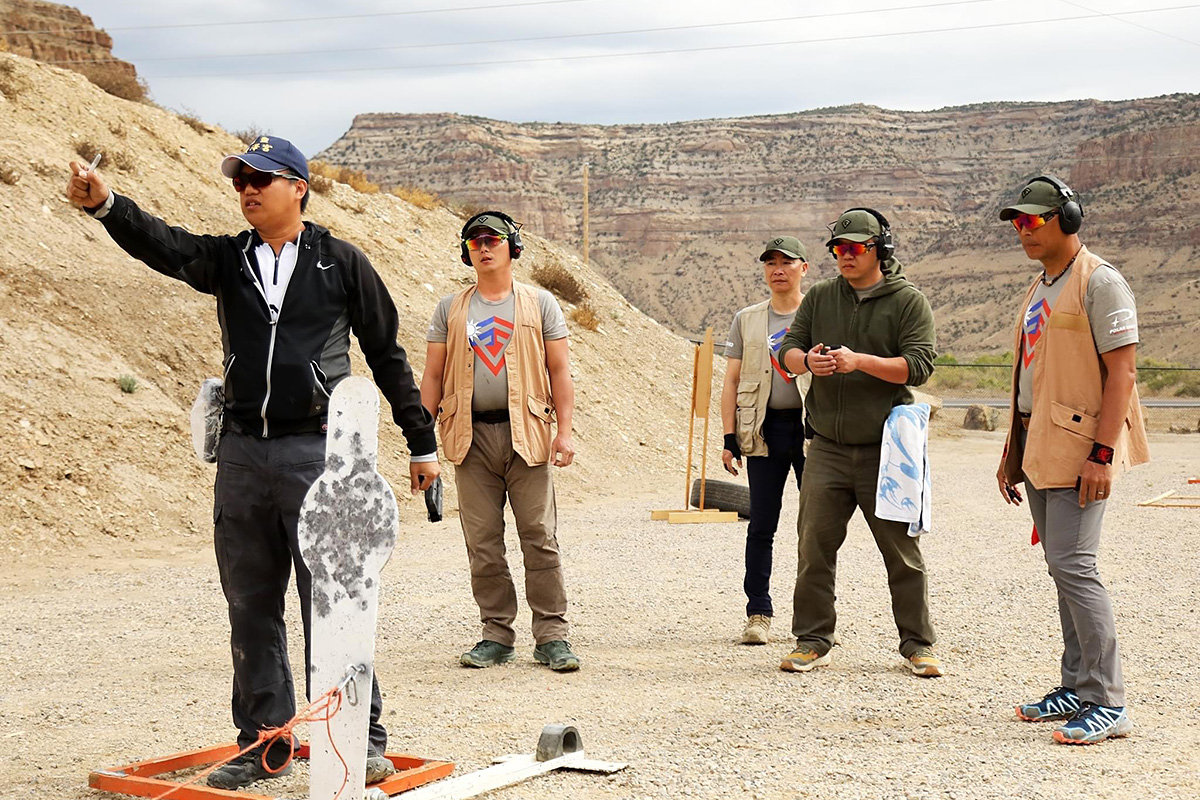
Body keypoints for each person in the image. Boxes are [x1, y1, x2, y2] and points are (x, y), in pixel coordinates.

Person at [65, 136, 439, 789]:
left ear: (298, 187)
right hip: (241, 455)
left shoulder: (341, 262)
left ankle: (358, 740)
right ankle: (266, 742)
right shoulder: (227, 258)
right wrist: (107, 205)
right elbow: (165, 244)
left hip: (320, 452)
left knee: (334, 601)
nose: (247, 189)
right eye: (240, 180)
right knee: (251, 603)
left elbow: (387, 355)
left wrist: (421, 441)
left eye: (261, 178)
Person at [995, 175, 1149, 744]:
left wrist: (1102, 454)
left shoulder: (1100, 282)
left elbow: (1123, 373)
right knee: (1061, 567)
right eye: (1018, 222)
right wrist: (1012, 452)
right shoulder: (1042, 284)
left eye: (1033, 220)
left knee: (1076, 568)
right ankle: (1077, 686)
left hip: (1080, 448)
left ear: (1068, 219)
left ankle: (1108, 701)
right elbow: (1032, 374)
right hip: (1039, 443)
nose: (1023, 230)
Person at [776, 208, 942, 677]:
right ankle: (812, 640)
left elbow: (919, 366)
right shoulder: (821, 297)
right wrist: (806, 361)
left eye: (855, 248)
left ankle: (918, 644)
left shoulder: (908, 301)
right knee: (813, 548)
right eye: (838, 249)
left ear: (880, 250)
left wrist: (861, 361)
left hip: (885, 451)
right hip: (826, 446)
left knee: (902, 554)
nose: (845, 256)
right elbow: (787, 348)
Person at [420, 211, 581, 671]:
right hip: (468, 437)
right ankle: (496, 634)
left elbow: (559, 371)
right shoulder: (450, 308)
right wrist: (421, 442)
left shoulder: (540, 303)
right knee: (483, 543)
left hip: (527, 434)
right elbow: (432, 376)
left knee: (539, 536)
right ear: (466, 252)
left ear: (513, 247)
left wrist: (564, 431)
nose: (484, 247)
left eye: (492, 239)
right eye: (474, 242)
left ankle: (552, 636)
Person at [721, 236, 810, 645]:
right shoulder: (747, 319)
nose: (778, 269)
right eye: (770, 263)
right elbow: (731, 381)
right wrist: (729, 437)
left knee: (817, 527)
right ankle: (758, 613)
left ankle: (814, 617)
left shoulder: (818, 313)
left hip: (812, 432)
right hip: (764, 430)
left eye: (786, 262)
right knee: (761, 525)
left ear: (803, 268)